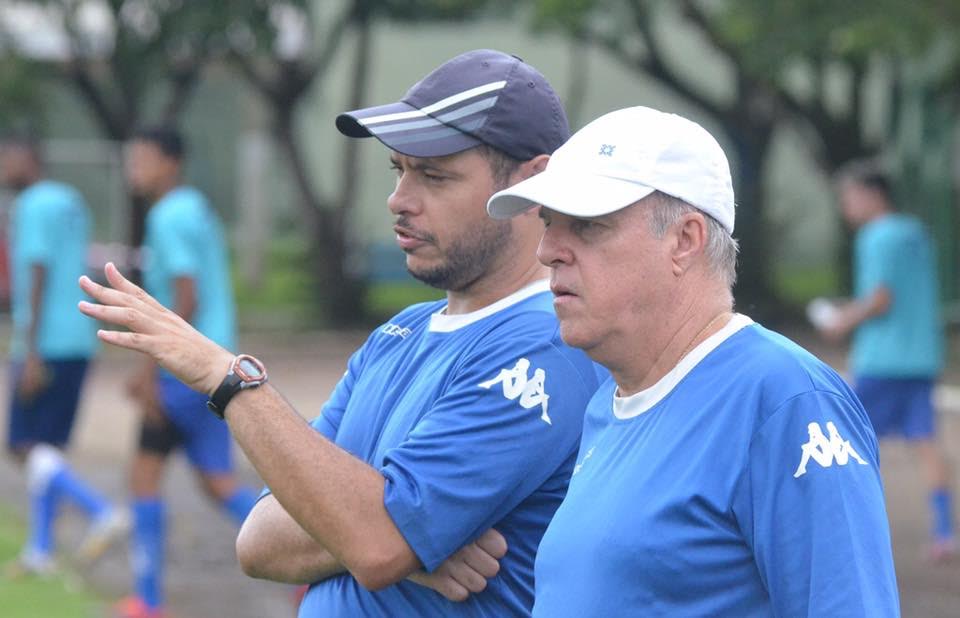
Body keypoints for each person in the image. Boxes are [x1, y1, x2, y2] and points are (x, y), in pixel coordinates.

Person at [78, 49, 601, 617]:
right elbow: (257, 540)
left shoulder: (545, 346)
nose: (398, 200)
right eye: (399, 170)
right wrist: (392, 536)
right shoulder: (399, 333)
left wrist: (229, 379)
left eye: (434, 175)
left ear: (533, 184)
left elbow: (375, 544)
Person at [485, 106, 900, 615]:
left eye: (587, 225)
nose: (547, 250)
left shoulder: (785, 400)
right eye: (549, 223)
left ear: (685, 240)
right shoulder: (610, 401)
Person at [116, 127, 258, 618]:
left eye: (144, 158)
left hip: (183, 370)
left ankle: (148, 601)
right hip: (215, 366)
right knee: (217, 481)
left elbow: (186, 297)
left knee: (144, 477)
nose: (135, 168)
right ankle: (311, 559)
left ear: (171, 163)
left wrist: (150, 370)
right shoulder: (196, 207)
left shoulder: (168, 215)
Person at [1, 136, 127, 574]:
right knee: (48, 446)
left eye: (7, 158)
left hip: (46, 341)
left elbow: (36, 269)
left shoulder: (31, 204)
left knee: (21, 444)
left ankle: (100, 510)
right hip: (79, 335)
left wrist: (31, 350)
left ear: (28, 159)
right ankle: (40, 550)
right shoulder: (71, 200)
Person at [818, 162, 955, 560]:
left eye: (849, 197)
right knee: (925, 441)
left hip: (882, 359)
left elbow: (880, 298)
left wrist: (842, 320)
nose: (846, 207)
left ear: (872, 195)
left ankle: (842, 529)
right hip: (922, 355)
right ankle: (945, 531)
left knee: (846, 441)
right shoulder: (916, 233)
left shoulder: (875, 236)